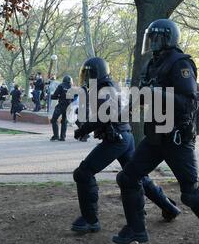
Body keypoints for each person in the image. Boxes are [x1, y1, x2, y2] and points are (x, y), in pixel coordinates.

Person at [114, 19, 199, 244]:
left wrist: (156, 92)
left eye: (157, 38)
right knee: (127, 177)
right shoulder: (151, 64)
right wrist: (123, 112)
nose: (152, 42)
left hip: (177, 138)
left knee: (190, 193)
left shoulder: (180, 63)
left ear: (169, 39)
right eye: (151, 37)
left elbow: (188, 101)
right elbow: (143, 94)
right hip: (155, 136)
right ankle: (136, 229)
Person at [71, 57, 181, 234]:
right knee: (138, 177)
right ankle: (169, 207)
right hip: (124, 137)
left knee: (83, 173)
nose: (86, 77)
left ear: (96, 73)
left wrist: (83, 129)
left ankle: (90, 220)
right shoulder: (107, 86)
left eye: (89, 73)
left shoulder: (104, 88)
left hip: (116, 140)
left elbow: (104, 116)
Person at [50, 75, 73, 141]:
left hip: (61, 105)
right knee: (64, 121)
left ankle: (56, 136)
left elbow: (55, 95)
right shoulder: (71, 87)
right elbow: (73, 98)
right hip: (68, 106)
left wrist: (51, 97)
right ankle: (63, 137)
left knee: (54, 120)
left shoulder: (61, 86)